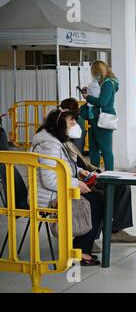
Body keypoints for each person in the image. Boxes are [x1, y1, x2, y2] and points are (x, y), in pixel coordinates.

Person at [62, 99, 136, 250]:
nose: (75, 125)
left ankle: (115, 230)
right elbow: (58, 173)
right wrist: (78, 178)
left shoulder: (66, 140)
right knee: (100, 195)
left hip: (83, 176)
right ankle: (89, 238)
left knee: (122, 186)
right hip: (75, 183)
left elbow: (75, 164)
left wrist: (88, 172)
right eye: (72, 122)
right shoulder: (53, 143)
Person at [31, 109, 103, 266]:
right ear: (59, 123)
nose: (75, 124)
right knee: (95, 201)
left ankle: (82, 245)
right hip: (48, 196)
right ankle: (81, 249)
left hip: (56, 191)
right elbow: (49, 180)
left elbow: (61, 166)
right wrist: (76, 183)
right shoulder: (49, 145)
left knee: (98, 196)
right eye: (72, 121)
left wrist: (79, 172)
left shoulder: (56, 141)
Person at [81, 60, 119, 171]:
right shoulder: (103, 84)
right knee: (94, 150)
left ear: (99, 72)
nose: (94, 76)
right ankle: (95, 173)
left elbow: (102, 102)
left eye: (95, 73)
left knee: (106, 150)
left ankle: (109, 175)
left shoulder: (108, 84)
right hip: (95, 119)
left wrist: (87, 97)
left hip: (102, 120)